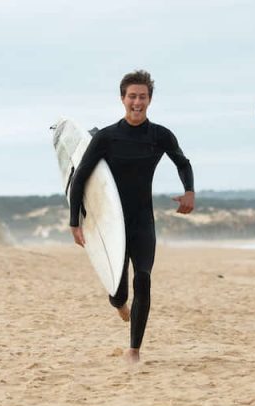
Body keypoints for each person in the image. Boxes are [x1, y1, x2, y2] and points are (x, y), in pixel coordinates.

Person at [68, 69, 195, 364]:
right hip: (111, 223)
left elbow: (183, 162)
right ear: (122, 99)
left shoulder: (160, 135)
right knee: (118, 292)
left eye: (143, 96)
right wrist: (75, 221)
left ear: (150, 100)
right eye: (132, 96)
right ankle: (118, 303)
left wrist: (189, 191)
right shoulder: (106, 137)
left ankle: (134, 350)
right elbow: (81, 177)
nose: (137, 102)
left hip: (142, 222)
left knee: (144, 280)